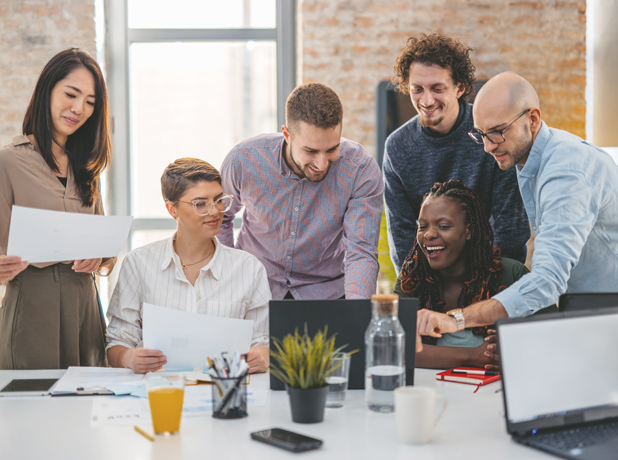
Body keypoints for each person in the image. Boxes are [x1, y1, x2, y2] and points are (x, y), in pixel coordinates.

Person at [415, 72, 618, 350]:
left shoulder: (567, 171)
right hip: (591, 310)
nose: (488, 146)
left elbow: (547, 280)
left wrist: (458, 320)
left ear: (532, 119)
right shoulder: (529, 159)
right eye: (481, 134)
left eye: (498, 132)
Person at [0, 48, 115, 370]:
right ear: (47, 90)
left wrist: (99, 255)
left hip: (86, 307)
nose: (79, 109)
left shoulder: (87, 168)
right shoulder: (8, 161)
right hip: (32, 308)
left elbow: (104, 241)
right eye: (71, 94)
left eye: (91, 102)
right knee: (31, 409)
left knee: (88, 407)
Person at [220, 83, 383, 300]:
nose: (322, 163)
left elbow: (361, 252)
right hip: (254, 287)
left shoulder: (360, 170)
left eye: (332, 149)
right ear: (287, 134)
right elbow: (220, 217)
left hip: (326, 293)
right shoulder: (243, 160)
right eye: (310, 151)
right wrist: (229, 277)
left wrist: (358, 316)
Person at [106, 158, 271, 374]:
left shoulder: (249, 268)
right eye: (200, 204)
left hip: (225, 392)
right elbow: (117, 343)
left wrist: (262, 356)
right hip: (157, 393)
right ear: (172, 209)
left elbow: (263, 342)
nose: (215, 211)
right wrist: (129, 358)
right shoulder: (139, 263)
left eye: (219, 199)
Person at [383, 33, 529, 274]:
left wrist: (485, 288)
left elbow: (510, 228)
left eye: (437, 88)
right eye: (417, 89)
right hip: (430, 279)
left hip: (490, 274)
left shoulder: (492, 132)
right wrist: (419, 292)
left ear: (459, 87)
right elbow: (402, 236)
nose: (426, 100)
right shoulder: (397, 147)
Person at [395, 180, 531, 370]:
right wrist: (474, 356)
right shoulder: (413, 277)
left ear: (469, 230)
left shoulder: (511, 275)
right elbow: (394, 348)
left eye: (443, 226)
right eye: (422, 226)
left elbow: (552, 337)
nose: (428, 235)